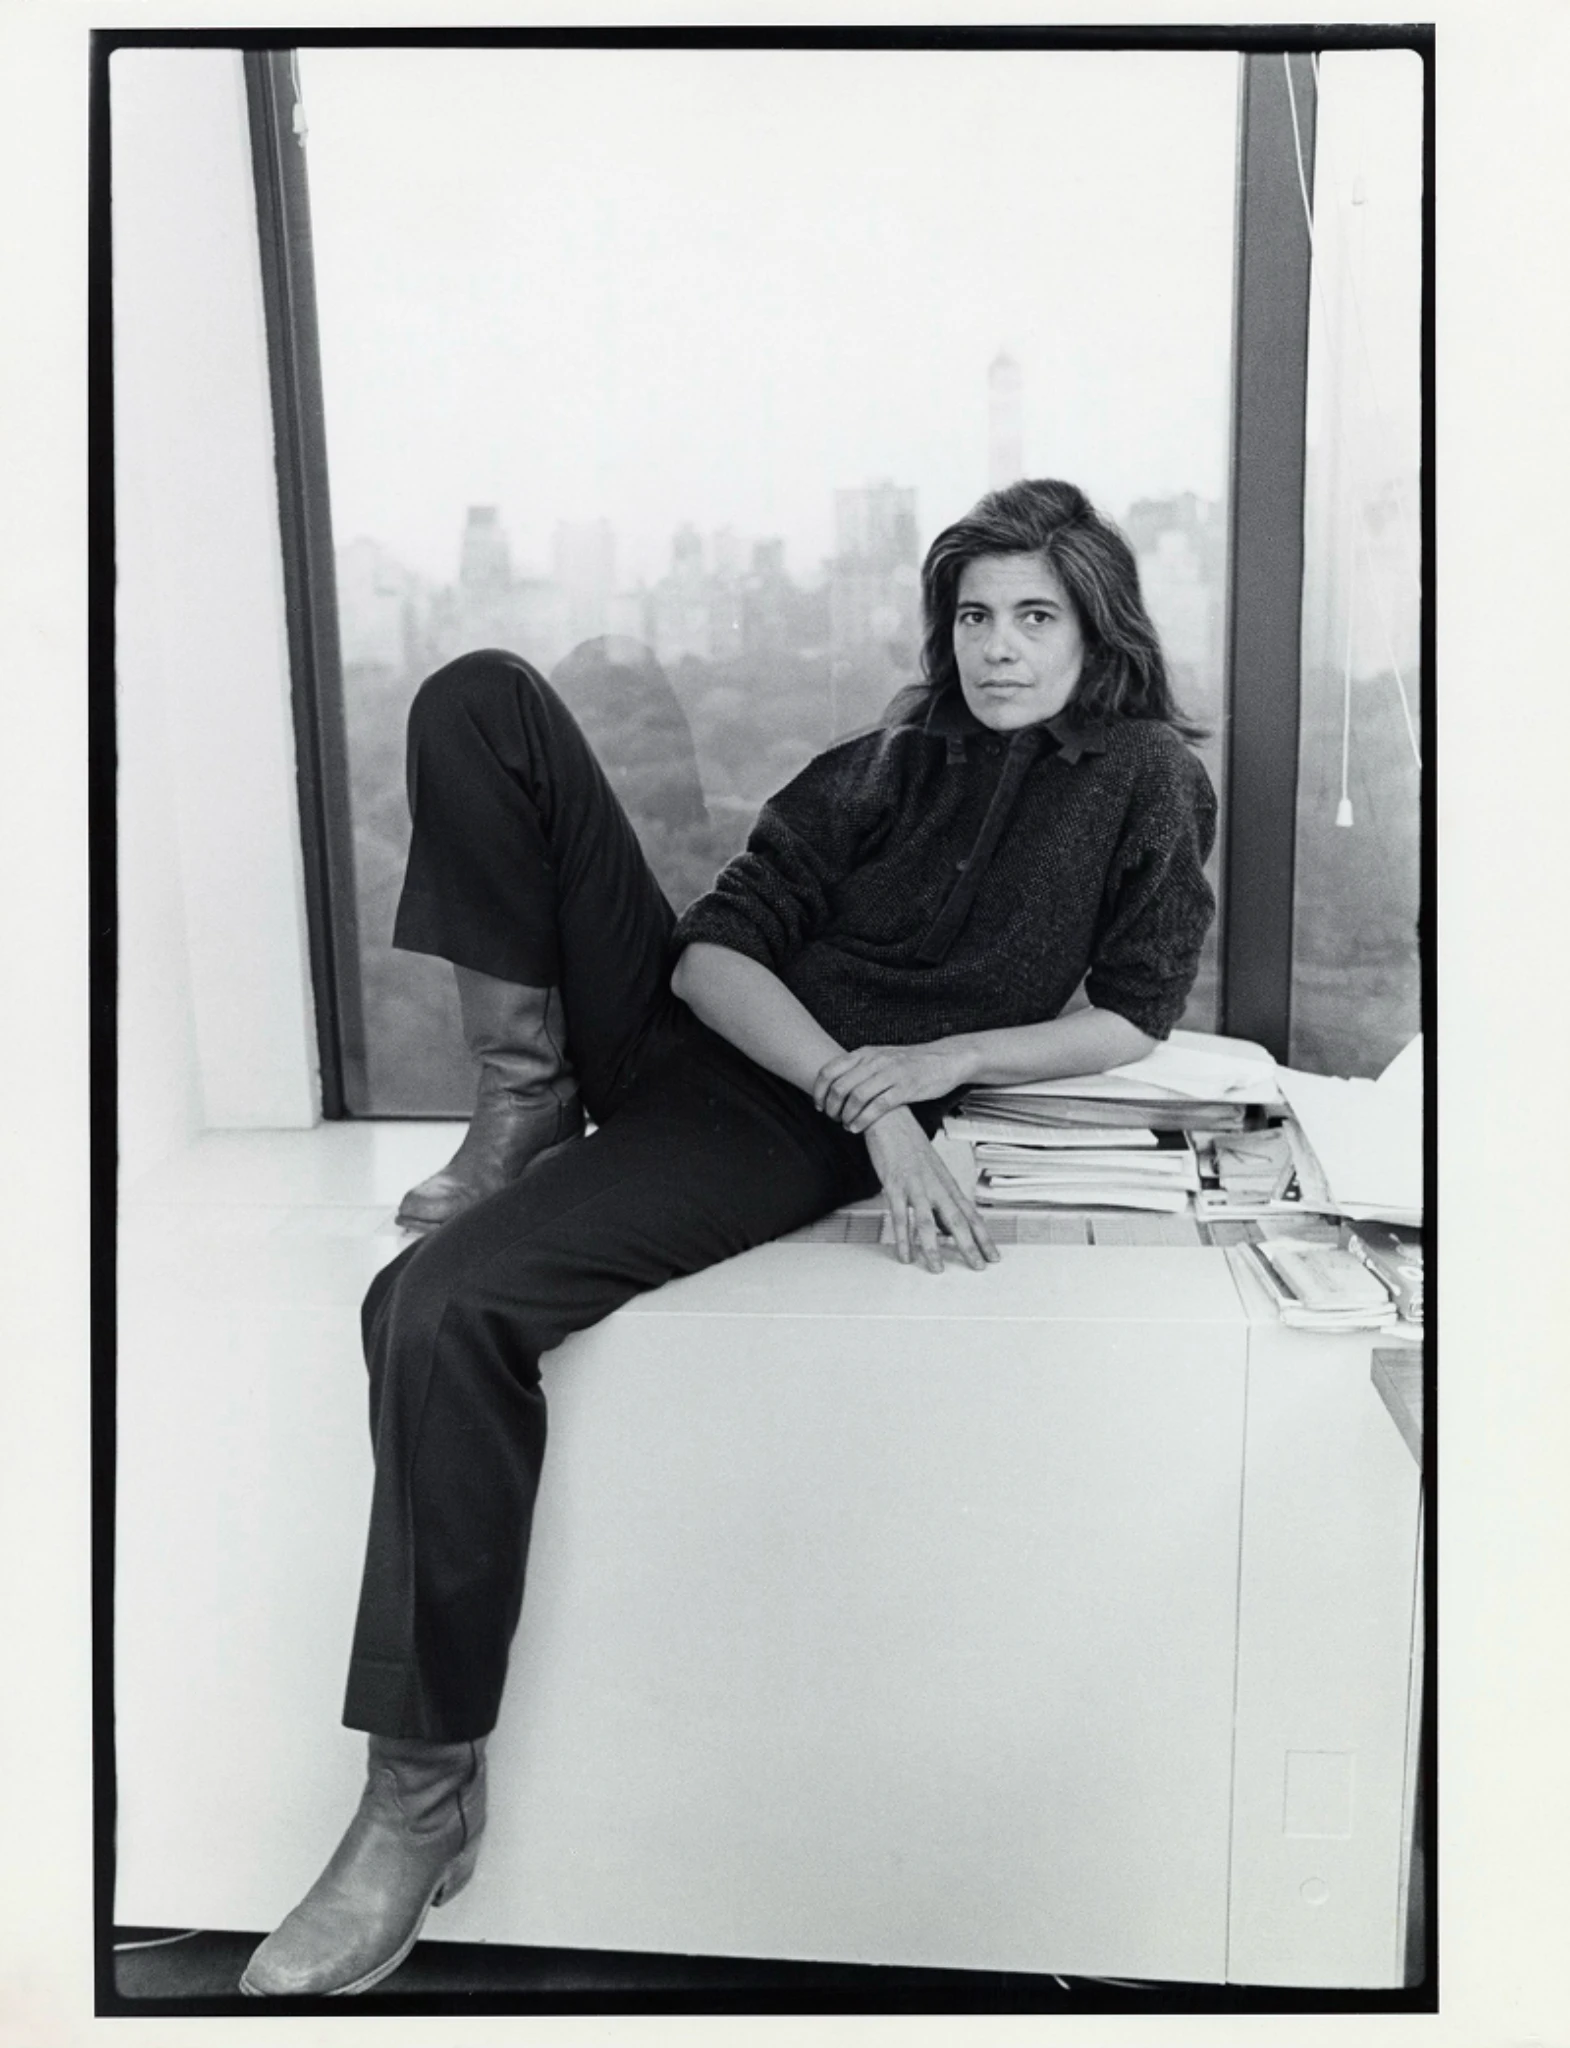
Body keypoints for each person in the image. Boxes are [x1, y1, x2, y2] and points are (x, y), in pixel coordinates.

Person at [240, 477, 1217, 1997]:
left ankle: (415, 1795)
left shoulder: (1144, 780)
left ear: (1098, 630)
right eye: (972, 616)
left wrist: (937, 1067)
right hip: (725, 1053)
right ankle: (525, 1094)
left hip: (769, 1129)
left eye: (1036, 618)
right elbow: (707, 957)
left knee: (433, 1305)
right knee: (483, 696)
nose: (998, 650)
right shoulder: (884, 760)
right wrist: (869, 1095)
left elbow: (1128, 1010)